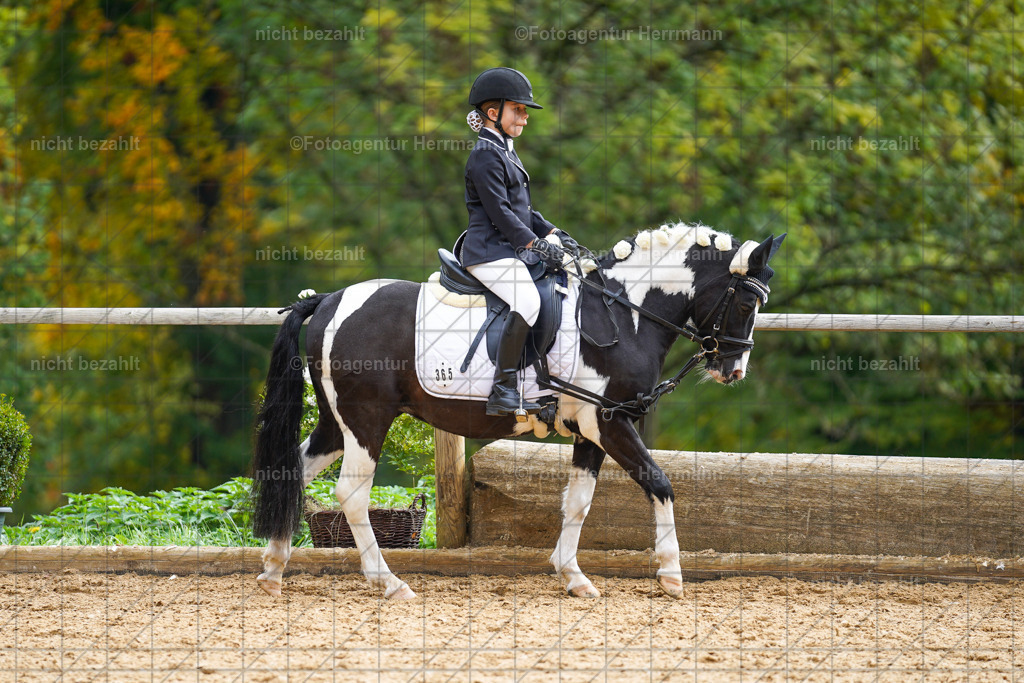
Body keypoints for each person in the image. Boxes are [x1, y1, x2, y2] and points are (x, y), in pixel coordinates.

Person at [461, 67, 579, 417]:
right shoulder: (485, 154)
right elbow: (500, 213)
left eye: (525, 111)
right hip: (487, 252)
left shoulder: (505, 149)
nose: (525, 118)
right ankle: (503, 387)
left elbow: (522, 209)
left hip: (507, 248)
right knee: (527, 300)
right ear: (493, 113)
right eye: (519, 110)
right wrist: (534, 244)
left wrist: (552, 232)